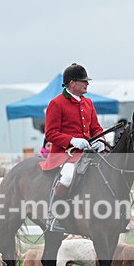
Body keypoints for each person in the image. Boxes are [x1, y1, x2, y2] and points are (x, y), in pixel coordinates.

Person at [39, 63, 106, 199]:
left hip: (88, 153)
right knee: (67, 178)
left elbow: (96, 128)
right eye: (83, 81)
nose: (87, 83)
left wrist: (100, 140)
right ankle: (55, 213)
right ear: (72, 83)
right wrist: (72, 141)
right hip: (65, 155)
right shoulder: (56, 103)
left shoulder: (88, 103)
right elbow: (50, 133)